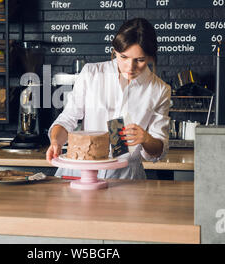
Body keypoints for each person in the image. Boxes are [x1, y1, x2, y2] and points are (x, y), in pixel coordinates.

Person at [46, 18, 171, 179]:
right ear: (115, 51)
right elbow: (68, 119)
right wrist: (56, 142)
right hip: (81, 172)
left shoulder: (159, 90)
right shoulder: (92, 74)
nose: (130, 67)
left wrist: (146, 139)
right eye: (123, 57)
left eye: (139, 60)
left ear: (150, 57)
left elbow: (158, 150)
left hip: (125, 180)